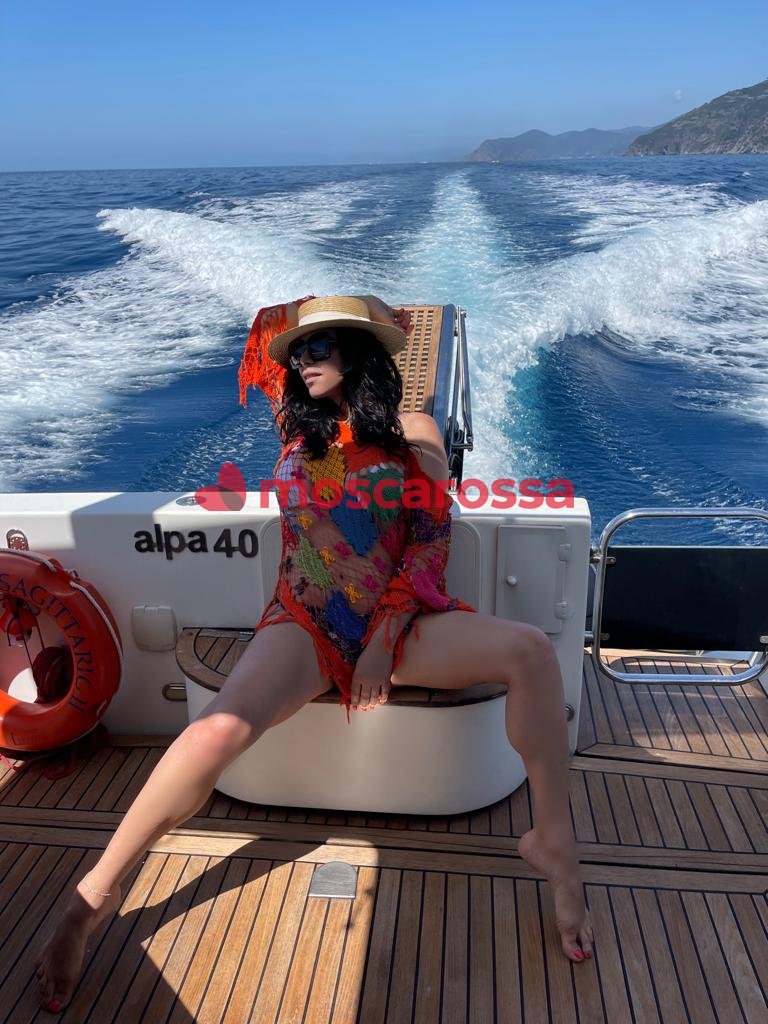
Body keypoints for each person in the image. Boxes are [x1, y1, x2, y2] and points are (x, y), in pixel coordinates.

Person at [34, 294, 592, 1014]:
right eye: (298, 351)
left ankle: (555, 847)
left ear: (359, 356)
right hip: (303, 618)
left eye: (320, 347)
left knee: (532, 652)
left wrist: (382, 642)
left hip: (398, 620)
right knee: (212, 732)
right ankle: (93, 897)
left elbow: (428, 544)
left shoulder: (414, 433)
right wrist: (307, 330)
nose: (302, 361)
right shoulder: (297, 427)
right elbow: (269, 337)